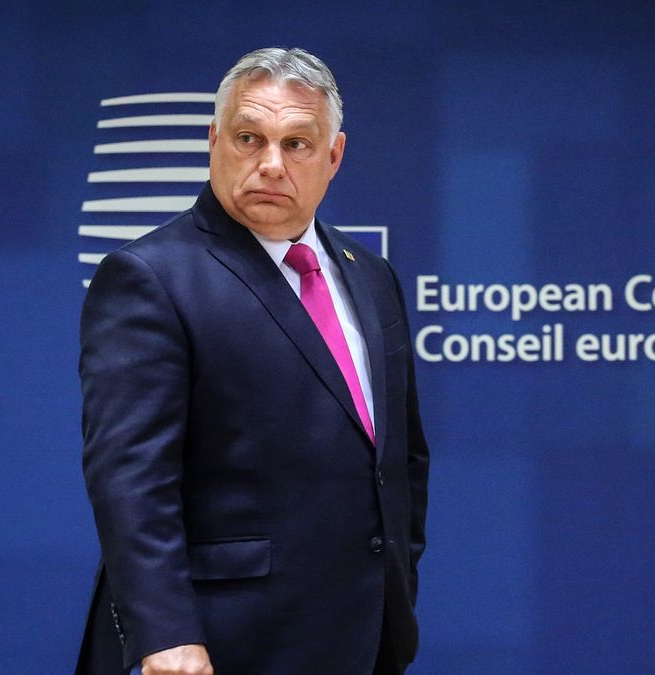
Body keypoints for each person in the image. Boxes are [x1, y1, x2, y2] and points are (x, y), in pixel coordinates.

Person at [76, 47, 429, 675]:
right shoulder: (150, 277)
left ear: (334, 157)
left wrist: (397, 586)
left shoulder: (372, 277)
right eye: (248, 138)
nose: (270, 164)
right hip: (217, 646)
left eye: (297, 144)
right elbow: (131, 480)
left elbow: (400, 460)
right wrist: (165, 635)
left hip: (364, 639)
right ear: (214, 140)